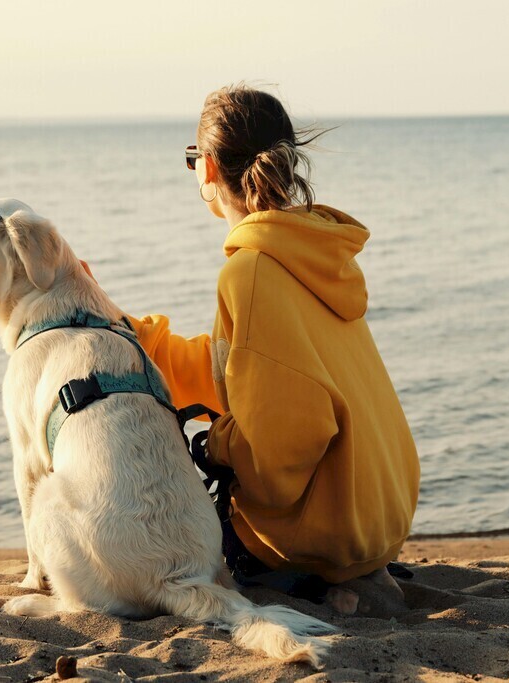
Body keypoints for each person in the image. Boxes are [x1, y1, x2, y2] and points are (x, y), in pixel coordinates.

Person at [88, 84, 420, 611]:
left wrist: (216, 446)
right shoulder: (310, 249)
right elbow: (237, 368)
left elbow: (288, 435)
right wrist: (129, 327)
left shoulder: (252, 271)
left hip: (328, 531)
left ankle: (312, 580)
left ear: (210, 167)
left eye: (192, 157)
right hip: (380, 511)